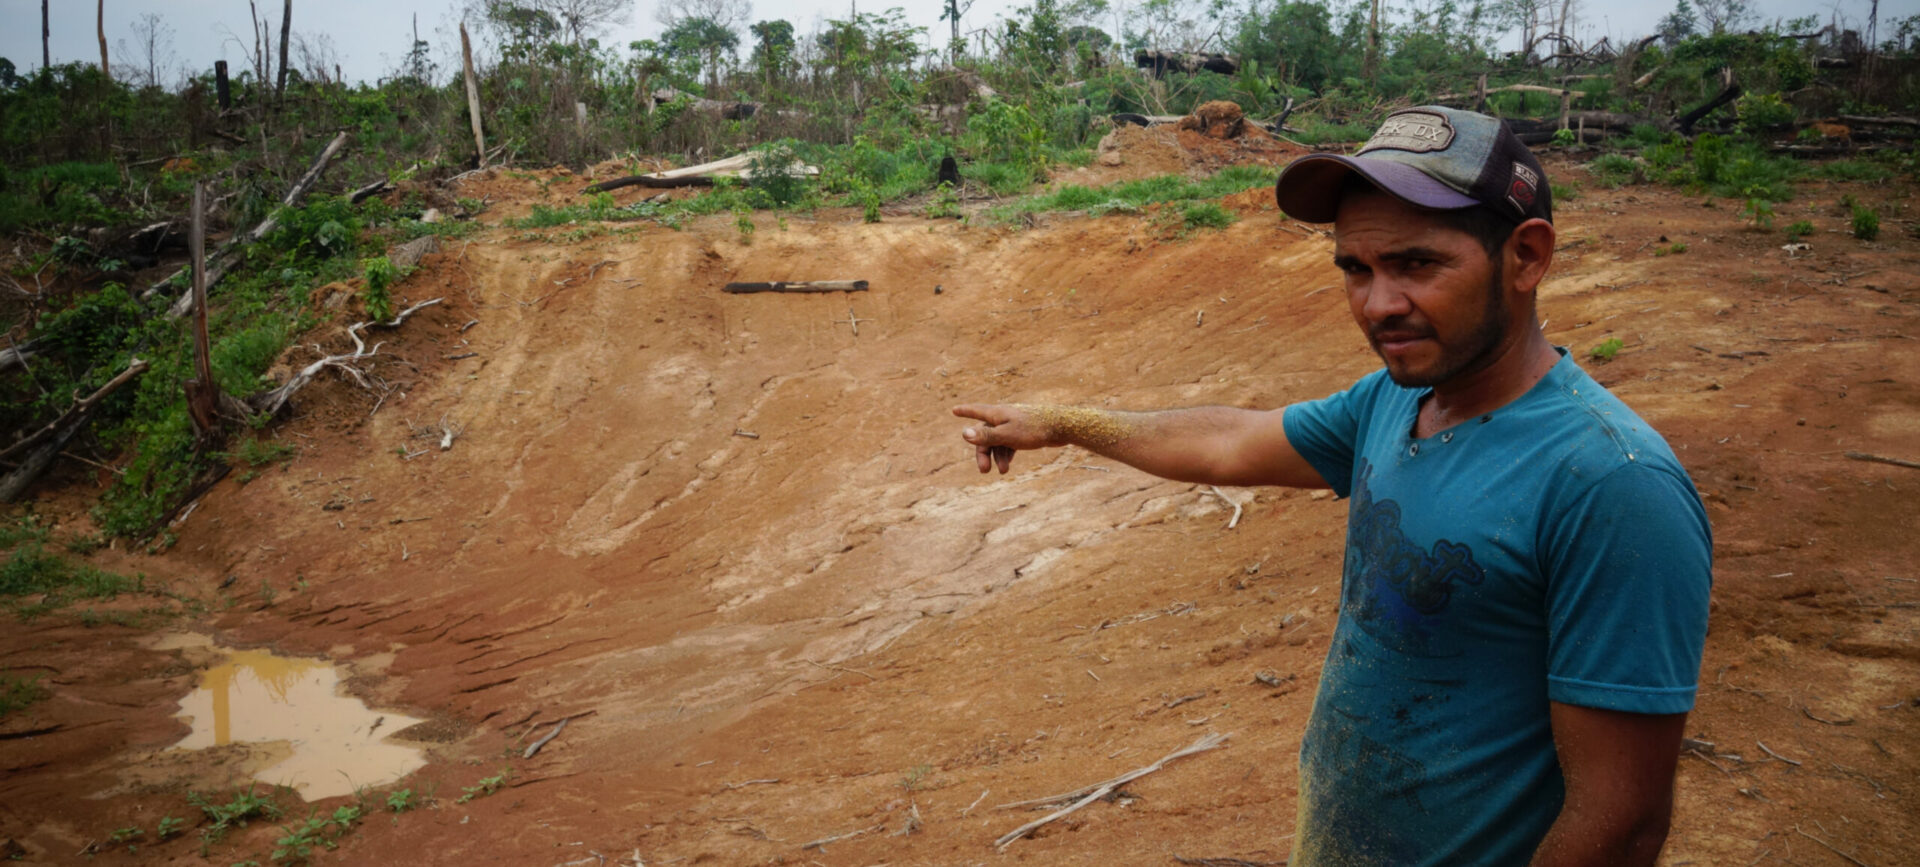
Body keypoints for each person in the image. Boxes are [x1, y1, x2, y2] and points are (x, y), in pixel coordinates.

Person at [951, 106, 1711, 866]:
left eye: (1417, 264)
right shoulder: (1395, 400)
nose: (1377, 305)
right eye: (1357, 268)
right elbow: (1229, 441)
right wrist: (1065, 422)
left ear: (1527, 256)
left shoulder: (1611, 485)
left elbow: (1622, 820)